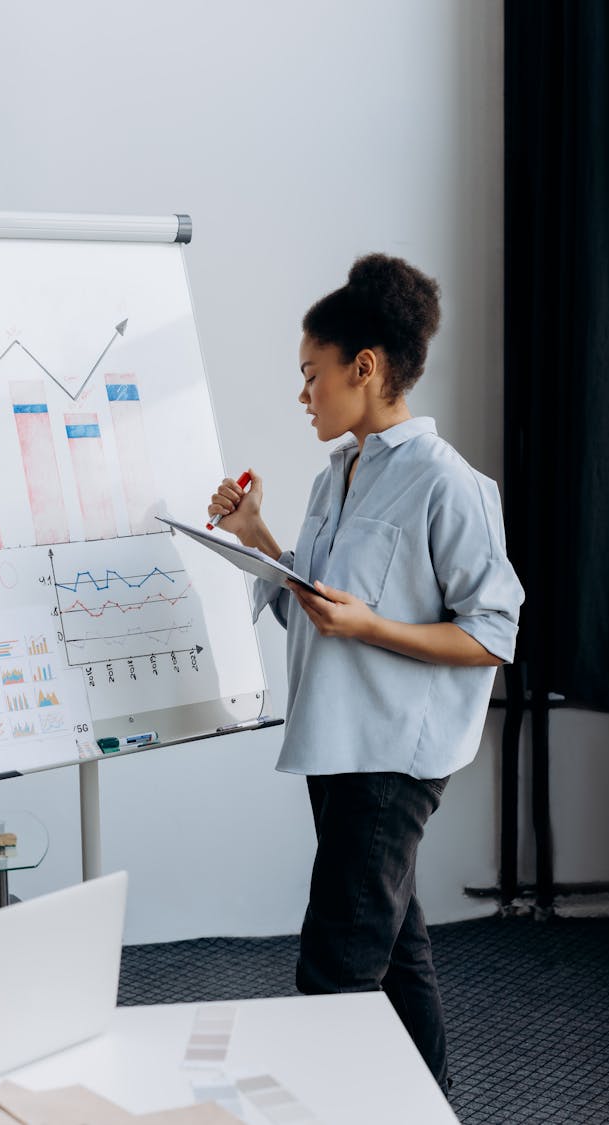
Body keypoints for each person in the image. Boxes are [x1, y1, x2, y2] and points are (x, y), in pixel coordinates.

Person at [207, 253, 524, 1099]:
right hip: (334, 742)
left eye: (312, 375)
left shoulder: (448, 484)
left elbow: (494, 633)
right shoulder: (331, 476)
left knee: (336, 966)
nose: (303, 394)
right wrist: (257, 535)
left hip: (393, 756)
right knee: (396, 944)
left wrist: (370, 624)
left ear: (367, 368)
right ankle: (431, 1102)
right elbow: (311, 604)